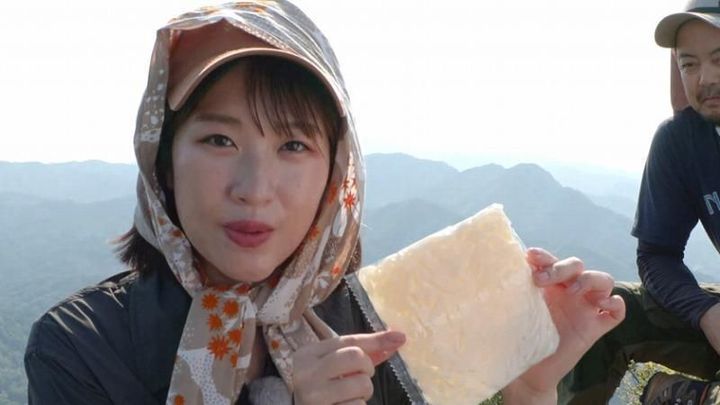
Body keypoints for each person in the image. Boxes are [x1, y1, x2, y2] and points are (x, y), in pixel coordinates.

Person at [23, 2, 625, 404]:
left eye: (293, 145)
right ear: (163, 162)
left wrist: (529, 386)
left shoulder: (373, 325)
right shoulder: (84, 347)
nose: (255, 188)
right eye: (219, 140)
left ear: (336, 176)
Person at [559, 1, 720, 404]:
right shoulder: (683, 141)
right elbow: (657, 254)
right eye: (689, 64)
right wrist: (705, 312)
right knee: (601, 313)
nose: (706, 79)